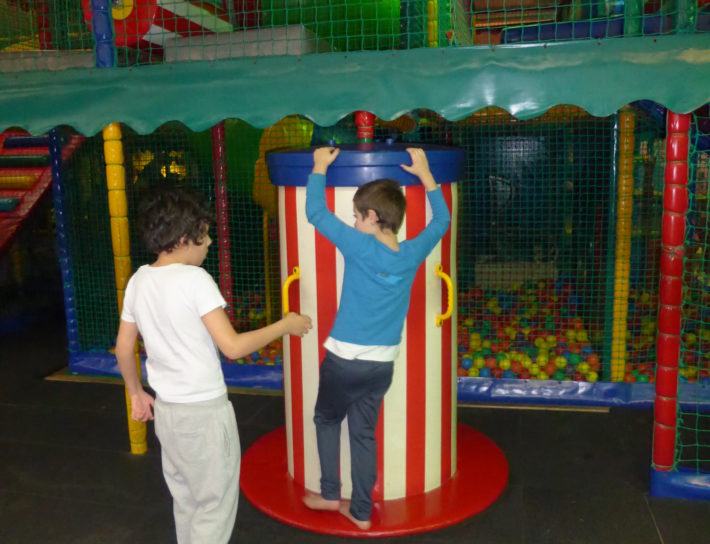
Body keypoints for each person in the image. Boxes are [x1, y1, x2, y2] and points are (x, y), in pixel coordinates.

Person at [114, 186, 312, 544]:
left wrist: (136, 393)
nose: (209, 243)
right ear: (184, 237)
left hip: (169, 413)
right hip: (204, 415)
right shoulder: (196, 280)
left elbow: (124, 348)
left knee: (187, 500)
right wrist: (285, 326)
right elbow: (232, 347)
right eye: (204, 235)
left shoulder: (139, 281)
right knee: (214, 505)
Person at [302, 147, 450, 530]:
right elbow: (442, 221)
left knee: (326, 419)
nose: (353, 222)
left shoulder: (360, 245)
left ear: (372, 217)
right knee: (363, 435)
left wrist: (320, 165)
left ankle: (331, 493)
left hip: (343, 362)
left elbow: (315, 212)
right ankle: (362, 513)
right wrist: (425, 174)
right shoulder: (411, 253)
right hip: (381, 366)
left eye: (356, 216)